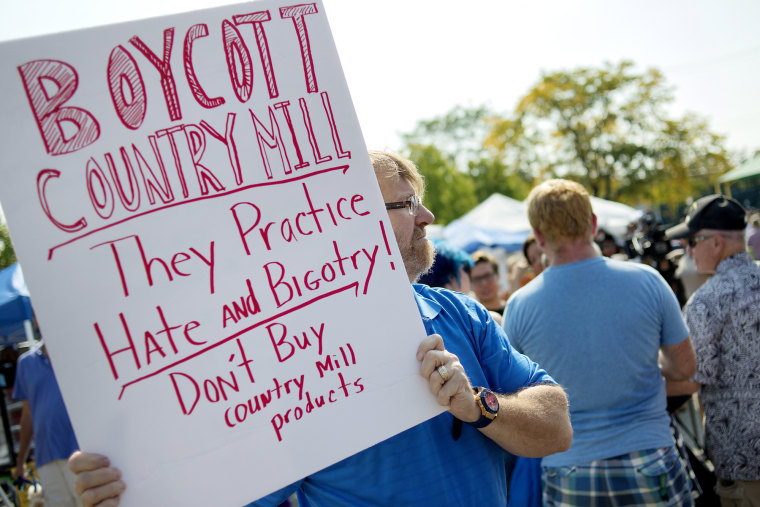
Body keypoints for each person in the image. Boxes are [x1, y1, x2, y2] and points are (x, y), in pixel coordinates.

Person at [69, 151, 573, 506]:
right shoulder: (294, 354)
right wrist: (127, 492)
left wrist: (481, 405)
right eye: (405, 204)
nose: (427, 216)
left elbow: (557, 425)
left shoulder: (459, 313)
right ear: (350, 219)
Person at [503, 179, 697, 506]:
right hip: (649, 458)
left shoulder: (520, 306)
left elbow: (514, 394)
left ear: (538, 237)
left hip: (568, 470)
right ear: (593, 224)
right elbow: (685, 368)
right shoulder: (647, 281)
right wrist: (643, 365)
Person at [664, 194, 760, 506]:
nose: (687, 251)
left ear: (716, 243)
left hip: (745, 464)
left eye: (692, 241)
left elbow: (689, 379)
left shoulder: (708, 300)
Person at [13, 337, 81, 507]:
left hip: (80, 450)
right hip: (46, 456)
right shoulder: (25, 363)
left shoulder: (76, 353)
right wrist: (21, 462)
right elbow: (27, 415)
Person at [469, 251, 507, 323]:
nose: (484, 283)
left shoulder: (511, 309)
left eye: (487, 276)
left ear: (497, 275)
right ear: (471, 284)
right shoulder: (472, 321)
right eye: (477, 279)